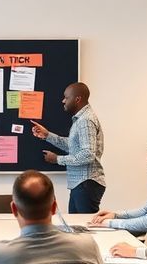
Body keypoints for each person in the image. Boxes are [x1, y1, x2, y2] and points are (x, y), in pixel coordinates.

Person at [30, 82, 105, 214]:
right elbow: (72, 145)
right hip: (81, 183)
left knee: (85, 229)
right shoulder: (80, 119)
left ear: (77, 99)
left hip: (86, 182)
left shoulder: (85, 121)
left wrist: (58, 159)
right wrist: (47, 135)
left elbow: (88, 154)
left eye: (66, 97)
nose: (63, 101)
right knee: (76, 228)